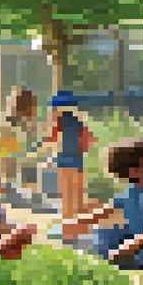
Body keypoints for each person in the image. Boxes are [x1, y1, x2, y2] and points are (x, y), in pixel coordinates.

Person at [61, 138, 143, 271]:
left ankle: (124, 258)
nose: (138, 171)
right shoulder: (130, 191)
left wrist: (128, 247)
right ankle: (116, 256)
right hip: (134, 236)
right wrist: (71, 223)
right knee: (104, 232)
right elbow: (104, 212)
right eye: (133, 166)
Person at [45, 91, 94, 221]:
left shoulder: (59, 122)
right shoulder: (78, 122)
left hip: (64, 159)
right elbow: (88, 139)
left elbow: (52, 138)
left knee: (66, 192)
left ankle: (67, 218)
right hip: (77, 159)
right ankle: (77, 217)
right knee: (77, 191)